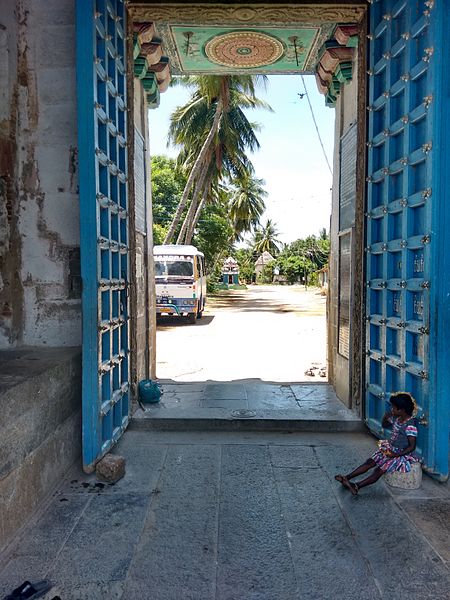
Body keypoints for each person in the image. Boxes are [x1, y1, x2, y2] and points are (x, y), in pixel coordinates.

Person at [335, 392, 420, 495]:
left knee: (378, 471)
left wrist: (395, 455)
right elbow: (384, 425)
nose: (391, 409)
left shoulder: (410, 426)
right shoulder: (397, 418)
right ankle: (346, 478)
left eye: (394, 407)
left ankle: (357, 486)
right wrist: (385, 417)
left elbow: (412, 447)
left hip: (400, 454)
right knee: (369, 462)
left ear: (402, 410)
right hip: (390, 449)